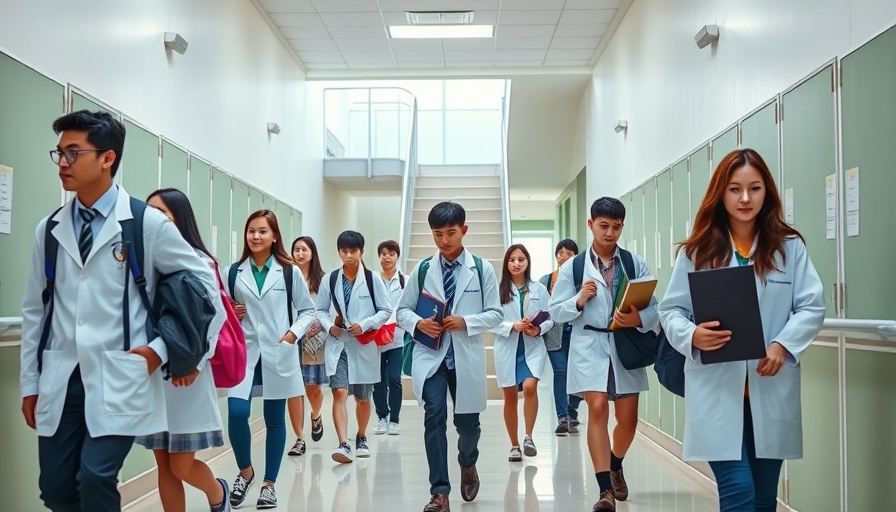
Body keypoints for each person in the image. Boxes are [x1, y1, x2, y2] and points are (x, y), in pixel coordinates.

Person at [20, 110, 218, 512]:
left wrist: (162, 352)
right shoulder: (50, 229)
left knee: (95, 478)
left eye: (74, 153)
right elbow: (33, 311)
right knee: (56, 489)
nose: (63, 163)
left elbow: (206, 291)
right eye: (59, 153)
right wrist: (30, 383)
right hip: (62, 376)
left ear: (107, 158)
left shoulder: (146, 224)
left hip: (120, 373)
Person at [658, 148, 825, 512]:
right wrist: (692, 335)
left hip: (769, 386)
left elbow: (812, 306)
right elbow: (671, 310)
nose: (745, 198)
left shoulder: (789, 248)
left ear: (768, 192)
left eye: (755, 188)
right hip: (717, 390)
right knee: (739, 493)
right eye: (735, 189)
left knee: (765, 500)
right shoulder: (698, 252)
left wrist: (783, 344)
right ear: (721, 193)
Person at [548, 197, 660, 512]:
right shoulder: (573, 266)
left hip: (624, 344)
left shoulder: (634, 263)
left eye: (616, 227)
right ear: (591, 225)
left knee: (628, 422)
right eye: (603, 226)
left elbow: (656, 306)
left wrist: (638, 319)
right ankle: (604, 491)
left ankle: (616, 463)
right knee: (596, 409)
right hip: (589, 344)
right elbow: (556, 311)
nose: (610, 233)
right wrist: (578, 301)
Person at [396, 201, 503, 512]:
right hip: (432, 356)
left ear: (464, 231)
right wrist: (418, 322)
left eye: (451, 233)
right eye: (437, 234)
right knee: (434, 415)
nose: (444, 240)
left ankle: (468, 463)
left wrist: (466, 322)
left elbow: (496, 313)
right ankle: (439, 492)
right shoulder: (423, 269)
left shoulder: (482, 269)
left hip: (465, 355)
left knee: (468, 425)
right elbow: (401, 310)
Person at [137, 188, 229, 512]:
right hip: (153, 374)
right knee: (163, 466)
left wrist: (195, 364)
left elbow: (214, 316)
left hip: (188, 374)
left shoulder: (198, 261)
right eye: (149, 213)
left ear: (179, 218)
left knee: (181, 465)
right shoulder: (143, 263)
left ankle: (218, 493)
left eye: (162, 213)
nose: (154, 220)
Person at [222, 210, 315, 509]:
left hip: (278, 349)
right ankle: (246, 472)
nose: (256, 236)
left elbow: (308, 311)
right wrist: (230, 311)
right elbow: (219, 308)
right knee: (237, 413)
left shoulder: (289, 271)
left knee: (275, 419)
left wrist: (292, 334)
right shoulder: (233, 272)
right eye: (251, 231)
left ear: (274, 236)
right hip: (245, 351)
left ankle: (269, 484)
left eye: (263, 231)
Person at [316, 230, 392, 464]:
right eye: (344, 251)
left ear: (361, 251)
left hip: (363, 344)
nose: (348, 256)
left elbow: (386, 310)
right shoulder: (330, 280)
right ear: (339, 251)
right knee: (339, 392)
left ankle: (361, 437)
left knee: (362, 398)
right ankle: (342, 444)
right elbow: (320, 310)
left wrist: (366, 323)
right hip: (340, 343)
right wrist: (330, 326)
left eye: (353, 251)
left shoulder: (372, 279)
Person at [490, 244, 552, 462]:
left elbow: (550, 317)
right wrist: (511, 326)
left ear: (527, 263)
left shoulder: (539, 290)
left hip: (532, 346)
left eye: (521, 259)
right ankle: (514, 445)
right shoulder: (496, 291)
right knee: (510, 398)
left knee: (530, 386)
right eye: (512, 260)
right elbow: (489, 320)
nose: (516, 263)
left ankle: (528, 437)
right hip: (508, 347)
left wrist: (538, 328)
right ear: (506, 263)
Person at [286, 236, 329, 457]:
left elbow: (328, 309)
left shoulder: (322, 280)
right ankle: (299, 438)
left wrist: (319, 323)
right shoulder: (286, 276)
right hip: (290, 337)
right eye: (296, 250)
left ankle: (315, 414)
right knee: (293, 390)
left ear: (312, 253)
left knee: (313, 388)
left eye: (304, 250)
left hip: (313, 341)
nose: (299, 254)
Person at [539, 238, 583, 436]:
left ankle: (572, 408)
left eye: (568, 252)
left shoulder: (581, 276)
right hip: (554, 333)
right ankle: (563, 417)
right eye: (560, 252)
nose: (563, 256)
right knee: (561, 372)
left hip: (576, 332)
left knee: (577, 375)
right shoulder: (547, 280)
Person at [373, 239, 409, 436]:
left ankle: (394, 419)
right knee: (378, 380)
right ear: (379, 256)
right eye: (383, 253)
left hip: (397, 338)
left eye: (391, 253)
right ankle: (381, 417)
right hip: (376, 338)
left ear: (397, 256)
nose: (387, 257)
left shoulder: (406, 280)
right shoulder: (373, 280)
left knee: (394, 378)